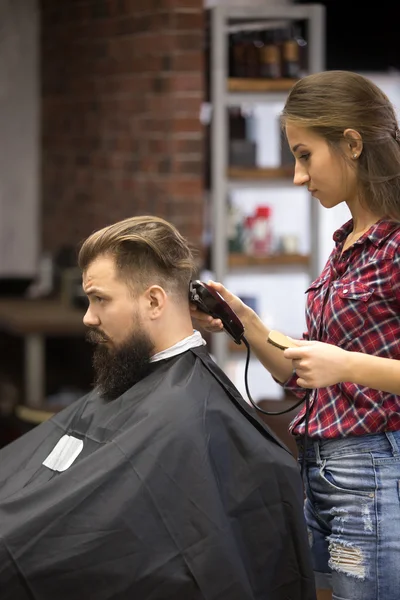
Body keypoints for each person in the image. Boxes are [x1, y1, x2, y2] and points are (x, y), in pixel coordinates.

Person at [0, 215, 316, 600]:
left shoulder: (192, 415)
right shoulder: (142, 385)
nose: (87, 316)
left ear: (153, 301)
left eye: (100, 299)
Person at [191, 71, 400, 600]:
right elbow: (301, 368)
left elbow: (338, 365)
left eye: (305, 155)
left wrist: (346, 366)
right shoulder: (349, 245)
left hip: (376, 476)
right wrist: (249, 325)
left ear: (351, 143)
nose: (297, 177)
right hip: (322, 474)